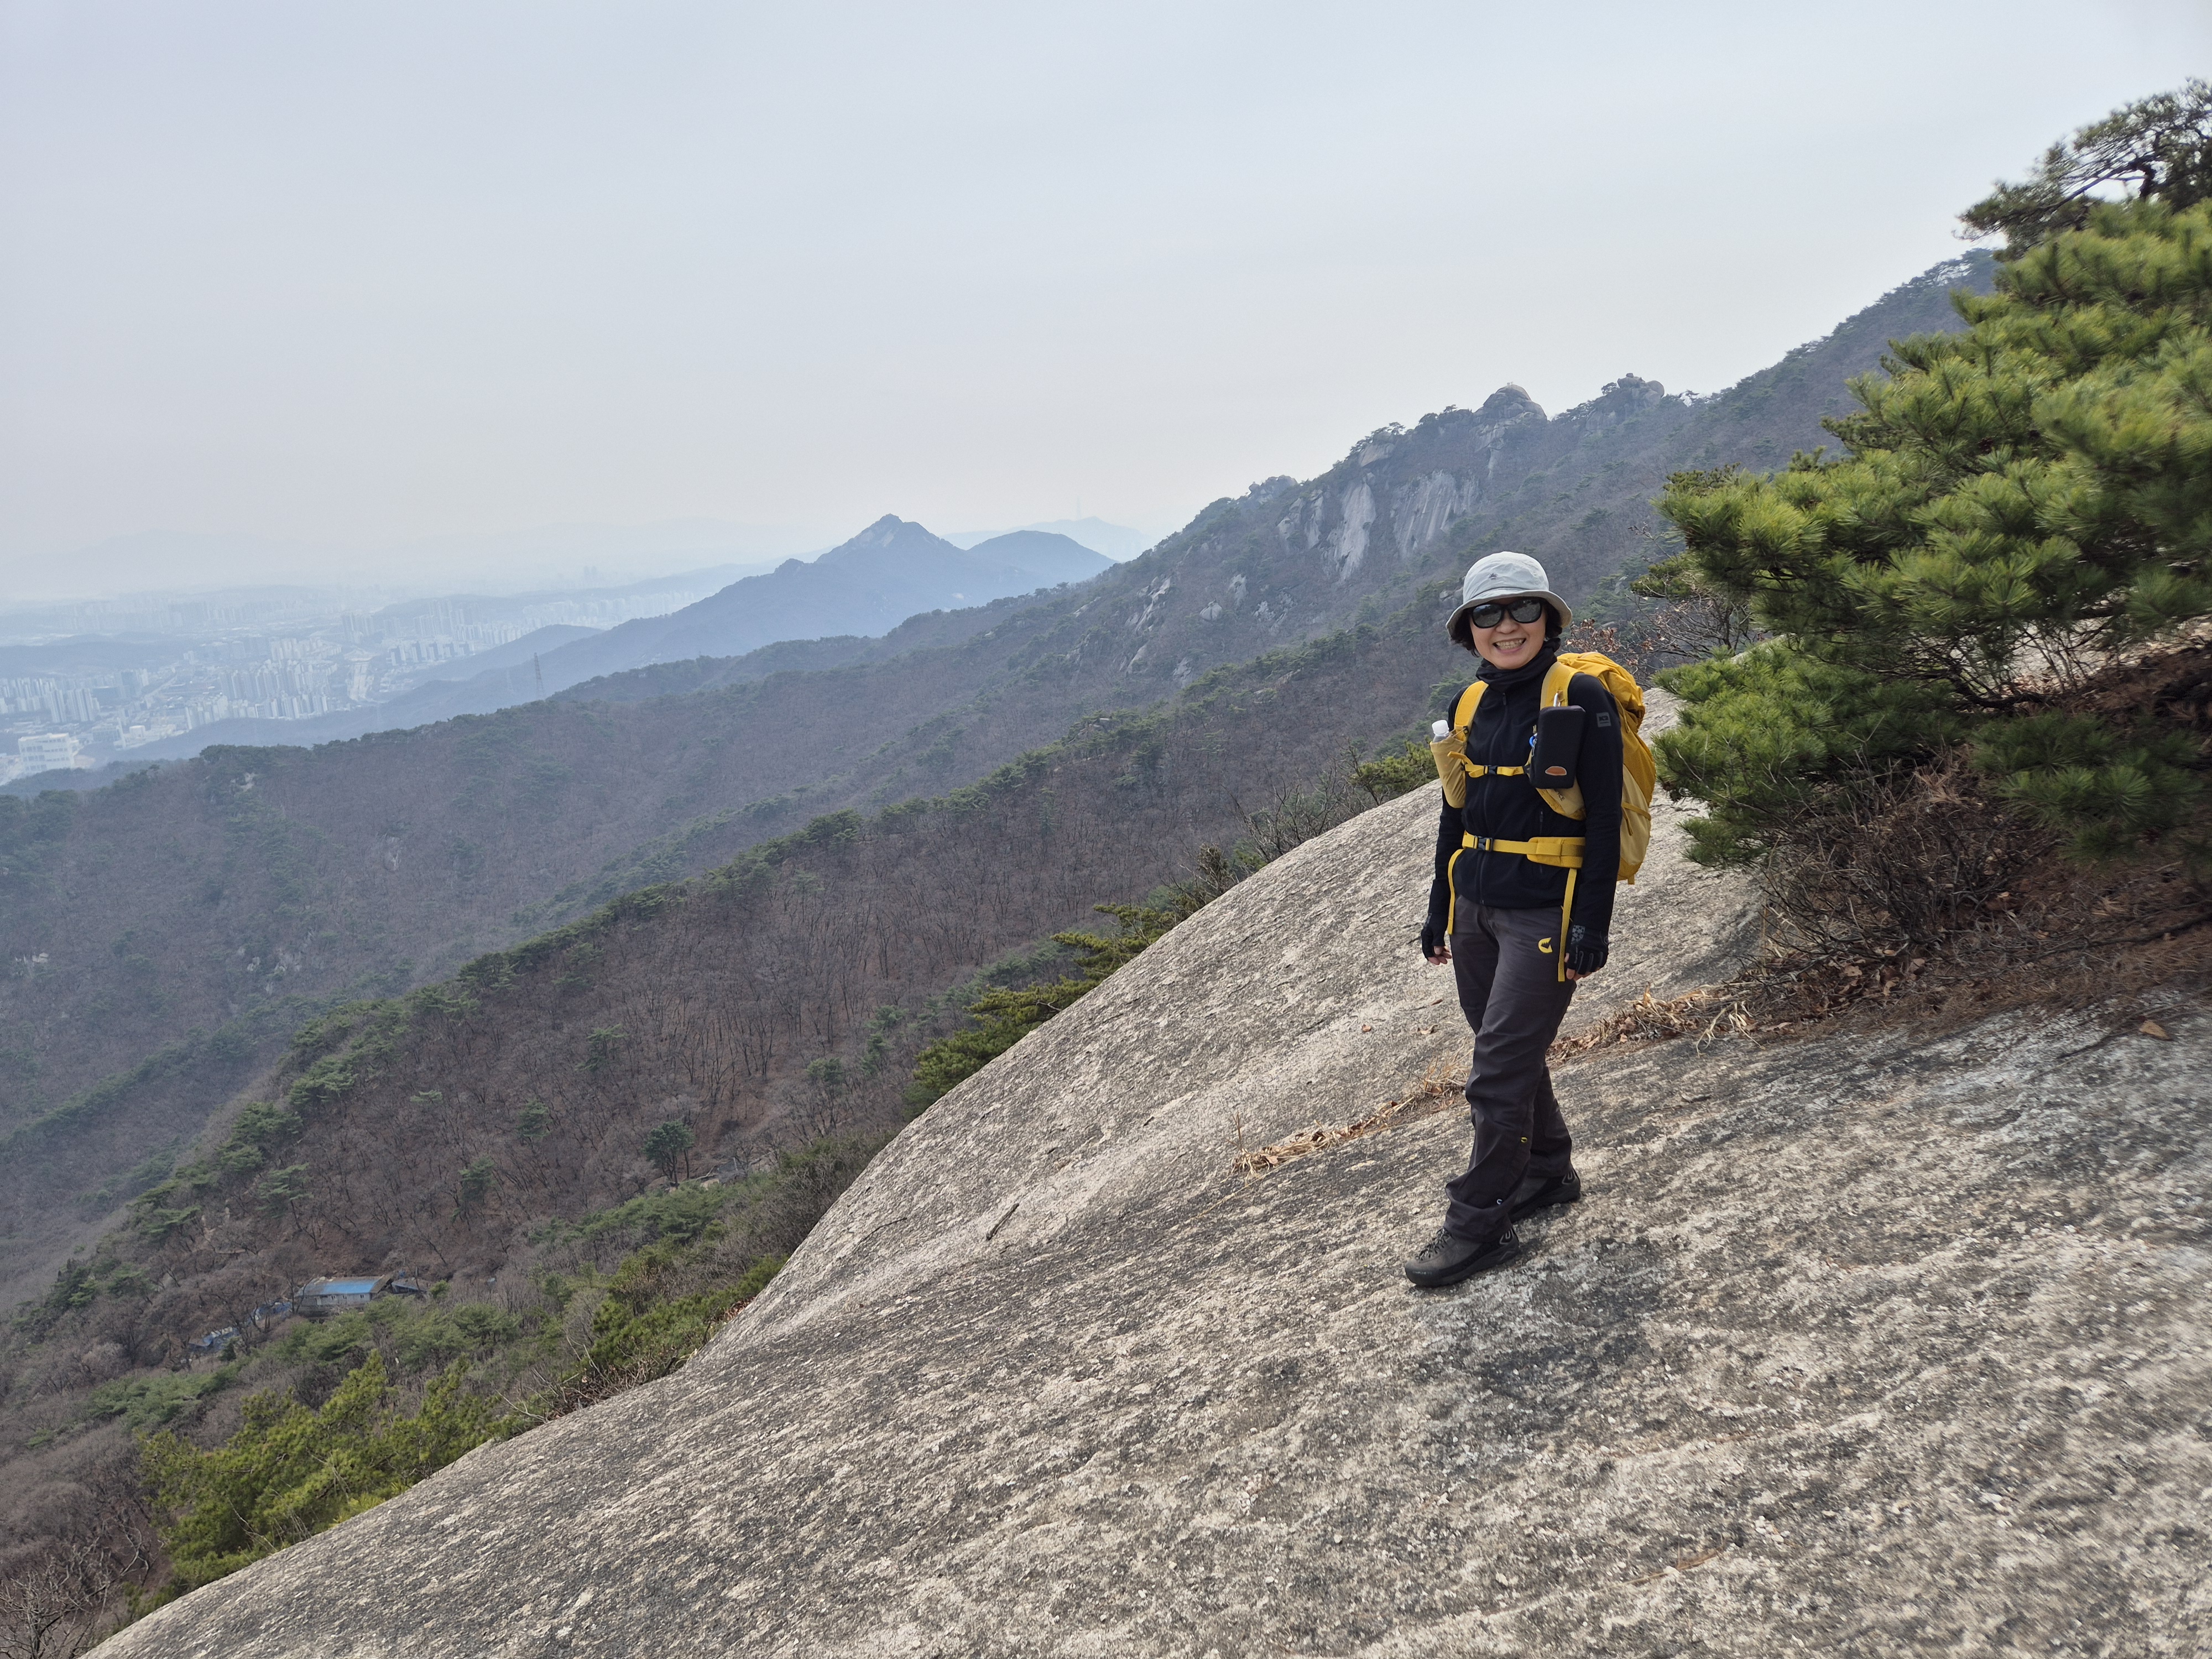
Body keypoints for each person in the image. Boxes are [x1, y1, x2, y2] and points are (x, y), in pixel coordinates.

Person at [1403, 551, 1621, 1288]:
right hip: (1476, 905)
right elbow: (1455, 811)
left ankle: (1478, 1223)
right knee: (1506, 1053)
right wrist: (1439, 908)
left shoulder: (1580, 695)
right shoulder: (1469, 703)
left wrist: (1592, 925)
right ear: (1469, 629)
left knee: (1496, 1073)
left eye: (1523, 609)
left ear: (1547, 618)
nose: (1507, 626)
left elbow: (1604, 819)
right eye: (1488, 614)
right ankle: (1548, 1169)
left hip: (1544, 910)